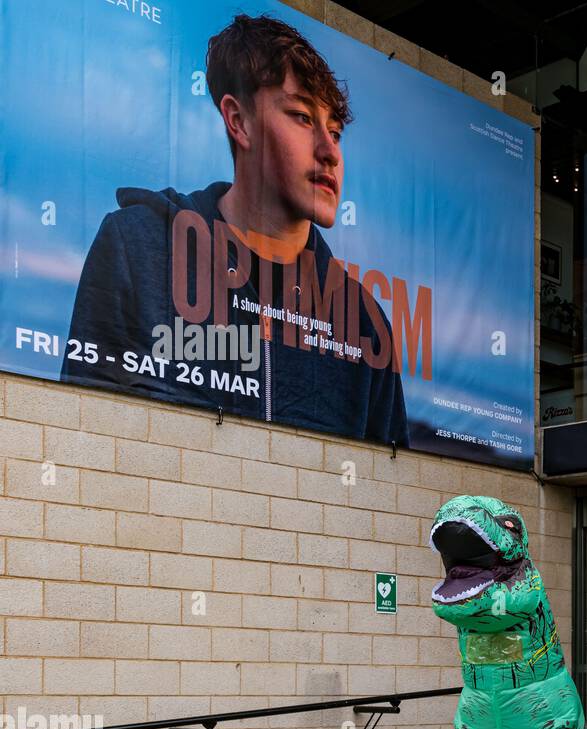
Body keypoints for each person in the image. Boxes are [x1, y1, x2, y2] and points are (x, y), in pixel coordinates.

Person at [63, 14, 407, 447]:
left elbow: (384, 487)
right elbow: (83, 432)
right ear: (238, 121)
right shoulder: (135, 245)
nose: (329, 152)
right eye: (302, 117)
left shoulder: (364, 322)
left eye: (335, 131)